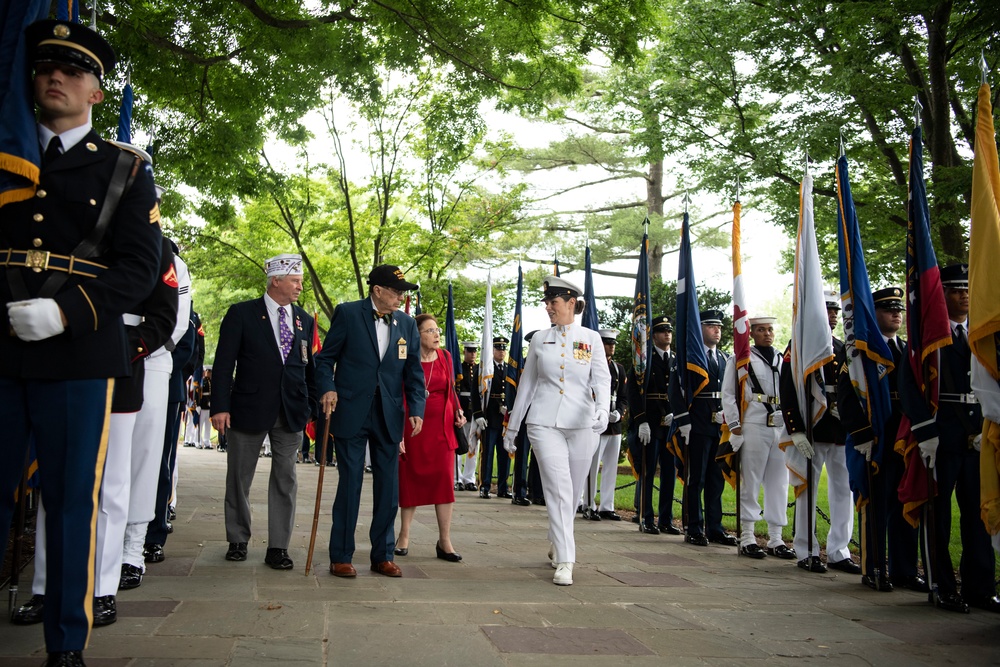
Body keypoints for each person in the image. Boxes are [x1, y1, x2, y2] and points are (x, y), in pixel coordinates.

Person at [0, 19, 163, 666]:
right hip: (3, 350)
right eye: (45, 66)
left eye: (73, 68)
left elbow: (137, 269)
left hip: (77, 355)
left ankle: (66, 640)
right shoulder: (9, 155)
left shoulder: (123, 168)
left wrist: (66, 313)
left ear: (97, 91)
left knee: (71, 501)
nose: (56, 76)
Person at [900, 264, 1000, 613]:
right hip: (941, 434)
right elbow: (911, 385)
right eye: (956, 289)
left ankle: (981, 587)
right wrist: (925, 431)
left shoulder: (984, 333)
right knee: (938, 515)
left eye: (968, 289)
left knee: (980, 513)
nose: (964, 296)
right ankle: (941, 585)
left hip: (977, 435)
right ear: (940, 294)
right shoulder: (929, 336)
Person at [315, 264, 426, 579]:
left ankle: (383, 555)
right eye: (396, 291)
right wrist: (328, 387)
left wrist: (416, 407)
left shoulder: (405, 324)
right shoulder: (348, 314)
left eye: (403, 292)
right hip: (351, 411)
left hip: (389, 414)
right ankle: (341, 556)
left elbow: (413, 372)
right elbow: (325, 359)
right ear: (377, 290)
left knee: (389, 489)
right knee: (350, 484)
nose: (400, 297)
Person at [211, 254, 316, 570]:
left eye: (300, 281)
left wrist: (310, 405)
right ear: (276, 281)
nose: (299, 286)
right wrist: (220, 406)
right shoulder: (242, 314)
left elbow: (307, 368)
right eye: (295, 280)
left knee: (286, 479)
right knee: (239, 478)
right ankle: (238, 539)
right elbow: (224, 363)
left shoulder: (304, 321)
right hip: (248, 408)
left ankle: (278, 547)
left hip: (291, 412)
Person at [503, 276, 611, 586]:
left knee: (573, 494)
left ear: (572, 304)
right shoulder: (540, 340)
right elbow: (527, 386)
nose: (548, 307)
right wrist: (513, 427)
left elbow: (601, 380)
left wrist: (603, 408)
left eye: (554, 302)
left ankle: (557, 538)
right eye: (547, 302)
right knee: (559, 490)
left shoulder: (590, 339)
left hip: (583, 424)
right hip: (544, 422)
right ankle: (566, 559)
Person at [782, 290, 859, 575]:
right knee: (807, 491)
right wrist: (796, 430)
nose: (834, 317)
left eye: (836, 312)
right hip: (813, 427)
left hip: (841, 428)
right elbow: (788, 388)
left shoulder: (842, 347)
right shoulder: (801, 346)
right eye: (828, 312)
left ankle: (839, 550)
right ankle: (806, 549)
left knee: (843, 491)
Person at [395, 314, 467, 560]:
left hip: (442, 429)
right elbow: (400, 392)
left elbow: (450, 389)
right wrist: (398, 430)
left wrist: (458, 411)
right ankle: (403, 535)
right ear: (418, 335)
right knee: (409, 479)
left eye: (437, 330)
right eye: (430, 331)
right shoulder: (406, 357)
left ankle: (444, 541)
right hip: (413, 426)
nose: (436, 334)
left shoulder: (445, 357)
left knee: (444, 482)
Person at [721, 316, 793, 559]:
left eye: (770, 329)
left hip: (779, 426)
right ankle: (748, 536)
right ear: (751, 334)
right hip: (752, 424)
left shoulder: (782, 360)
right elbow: (729, 393)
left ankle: (775, 538)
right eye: (761, 330)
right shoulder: (741, 360)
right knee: (750, 481)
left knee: (779, 483)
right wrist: (734, 425)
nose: (767, 334)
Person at [673, 310, 739, 547]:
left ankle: (715, 527)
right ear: (699, 328)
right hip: (697, 425)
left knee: (716, 479)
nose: (717, 330)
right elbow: (676, 391)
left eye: (719, 327)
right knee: (696, 478)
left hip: (718, 426)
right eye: (711, 326)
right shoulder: (690, 358)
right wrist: (683, 421)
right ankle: (693, 526)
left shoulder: (723, 358)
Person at [628, 315, 676, 534]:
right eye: (662, 331)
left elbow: (680, 390)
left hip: (670, 423)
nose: (667, 334)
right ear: (653, 336)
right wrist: (641, 420)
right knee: (648, 472)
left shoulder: (675, 359)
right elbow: (634, 393)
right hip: (651, 422)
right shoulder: (643, 360)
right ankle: (646, 517)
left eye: (669, 331)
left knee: (669, 473)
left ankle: (665, 519)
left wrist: (677, 413)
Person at [584, 329, 627, 520]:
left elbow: (624, 397)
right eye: (608, 343)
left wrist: (619, 412)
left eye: (613, 343)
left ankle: (607, 506)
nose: (612, 346)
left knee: (611, 466)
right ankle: (589, 504)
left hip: (614, 424)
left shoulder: (618, 368)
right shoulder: (590, 366)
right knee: (593, 466)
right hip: (596, 422)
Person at [479, 336, 511, 498]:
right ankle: (485, 486)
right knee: (488, 453)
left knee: (504, 454)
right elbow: (476, 392)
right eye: (498, 349)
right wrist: (478, 414)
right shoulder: (486, 368)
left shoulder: (509, 368)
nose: (501, 352)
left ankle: (503, 488)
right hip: (490, 416)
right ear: (493, 350)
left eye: (504, 349)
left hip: (505, 419)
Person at [456, 342, 482, 491]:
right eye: (470, 351)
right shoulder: (459, 368)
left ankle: (469, 478)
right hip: (462, 410)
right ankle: (457, 477)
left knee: (473, 447)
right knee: (460, 444)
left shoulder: (479, 368)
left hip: (474, 413)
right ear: (465, 351)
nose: (473, 354)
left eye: (475, 351)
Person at [198, 366, 214, 449]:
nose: (209, 373)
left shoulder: (212, 381)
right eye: (207, 372)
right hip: (203, 405)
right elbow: (200, 394)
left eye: (210, 372)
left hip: (209, 406)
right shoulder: (202, 381)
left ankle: (207, 441)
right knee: (200, 425)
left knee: (208, 425)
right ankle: (199, 441)